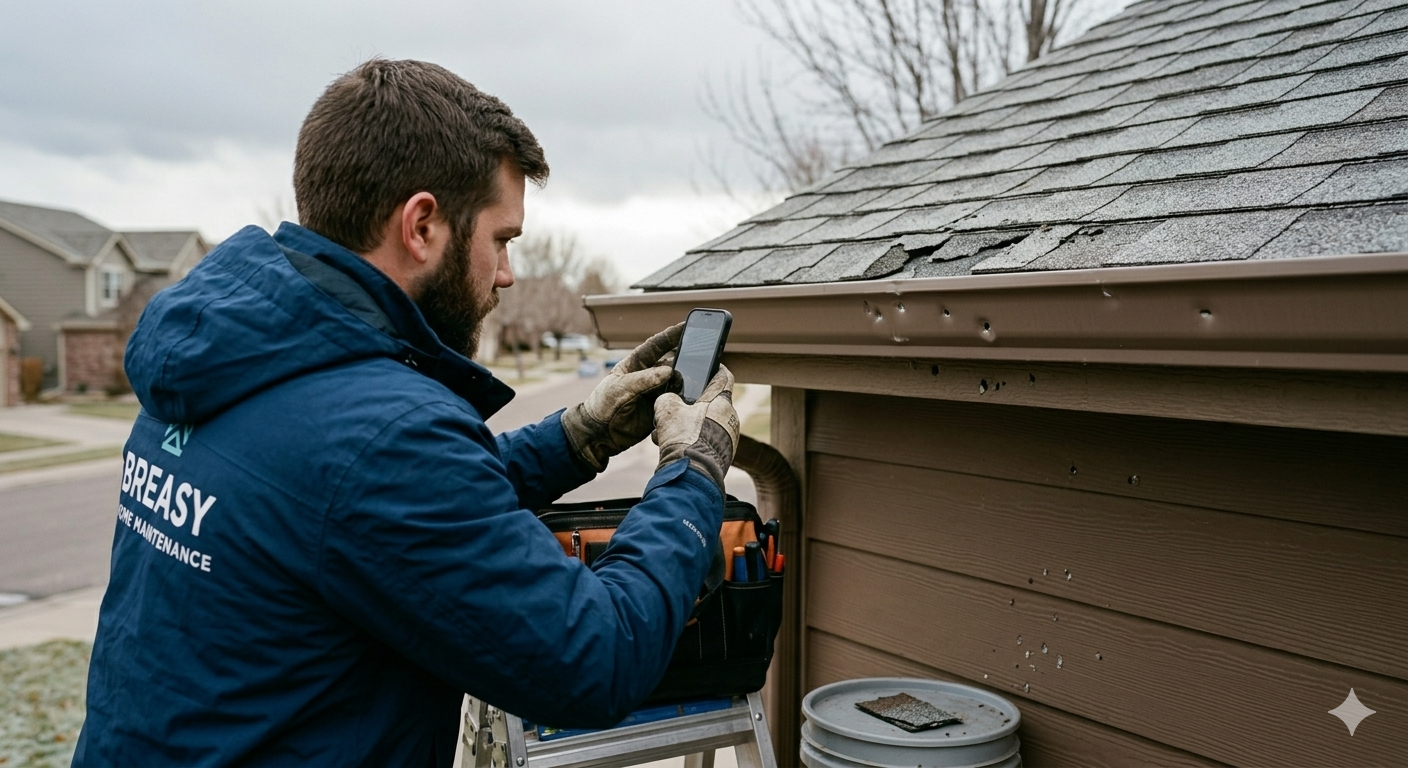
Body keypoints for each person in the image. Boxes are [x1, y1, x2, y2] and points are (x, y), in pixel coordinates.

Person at [73, 58, 740, 767]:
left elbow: (360, 508)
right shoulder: (383, 433)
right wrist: (693, 471)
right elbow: (596, 658)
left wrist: (580, 435)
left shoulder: (223, 355)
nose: (507, 274)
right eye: (501, 239)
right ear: (422, 225)